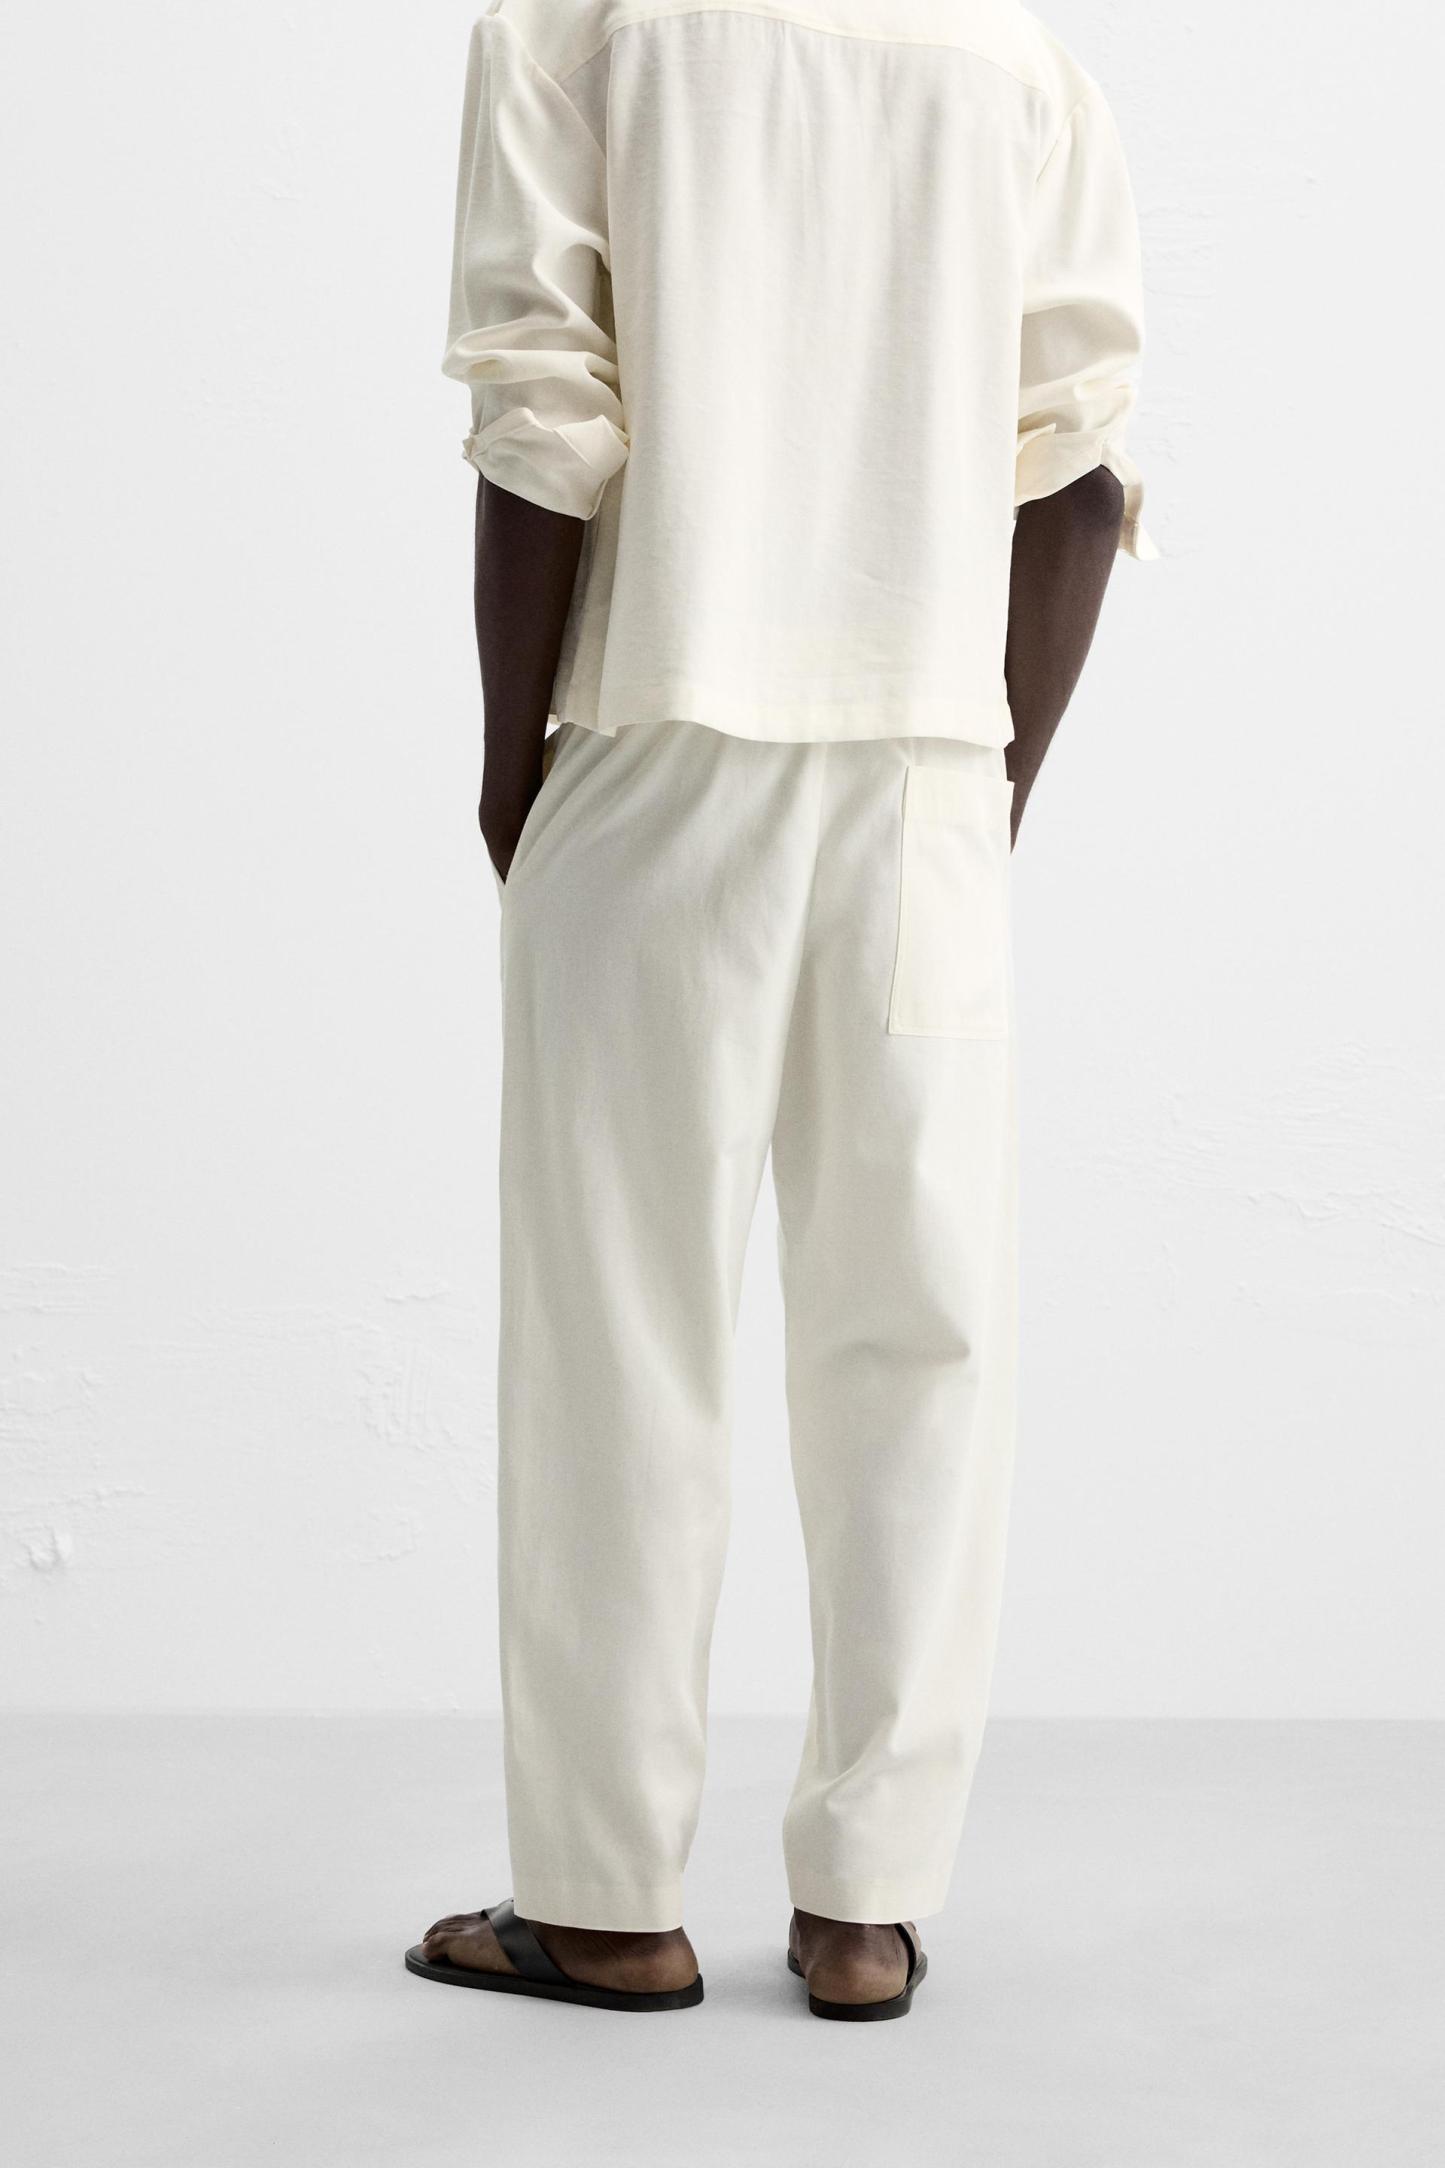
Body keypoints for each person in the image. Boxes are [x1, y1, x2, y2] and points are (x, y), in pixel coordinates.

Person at [407, 0, 1151, 2021]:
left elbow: (541, 421)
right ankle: (866, 1903)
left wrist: (512, 774)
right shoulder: (1013, 63)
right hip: (926, 758)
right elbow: (1077, 473)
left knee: (618, 1334)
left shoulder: (575, 29)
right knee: (917, 1335)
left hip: (654, 732)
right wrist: (981, 787)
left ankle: (602, 1899)